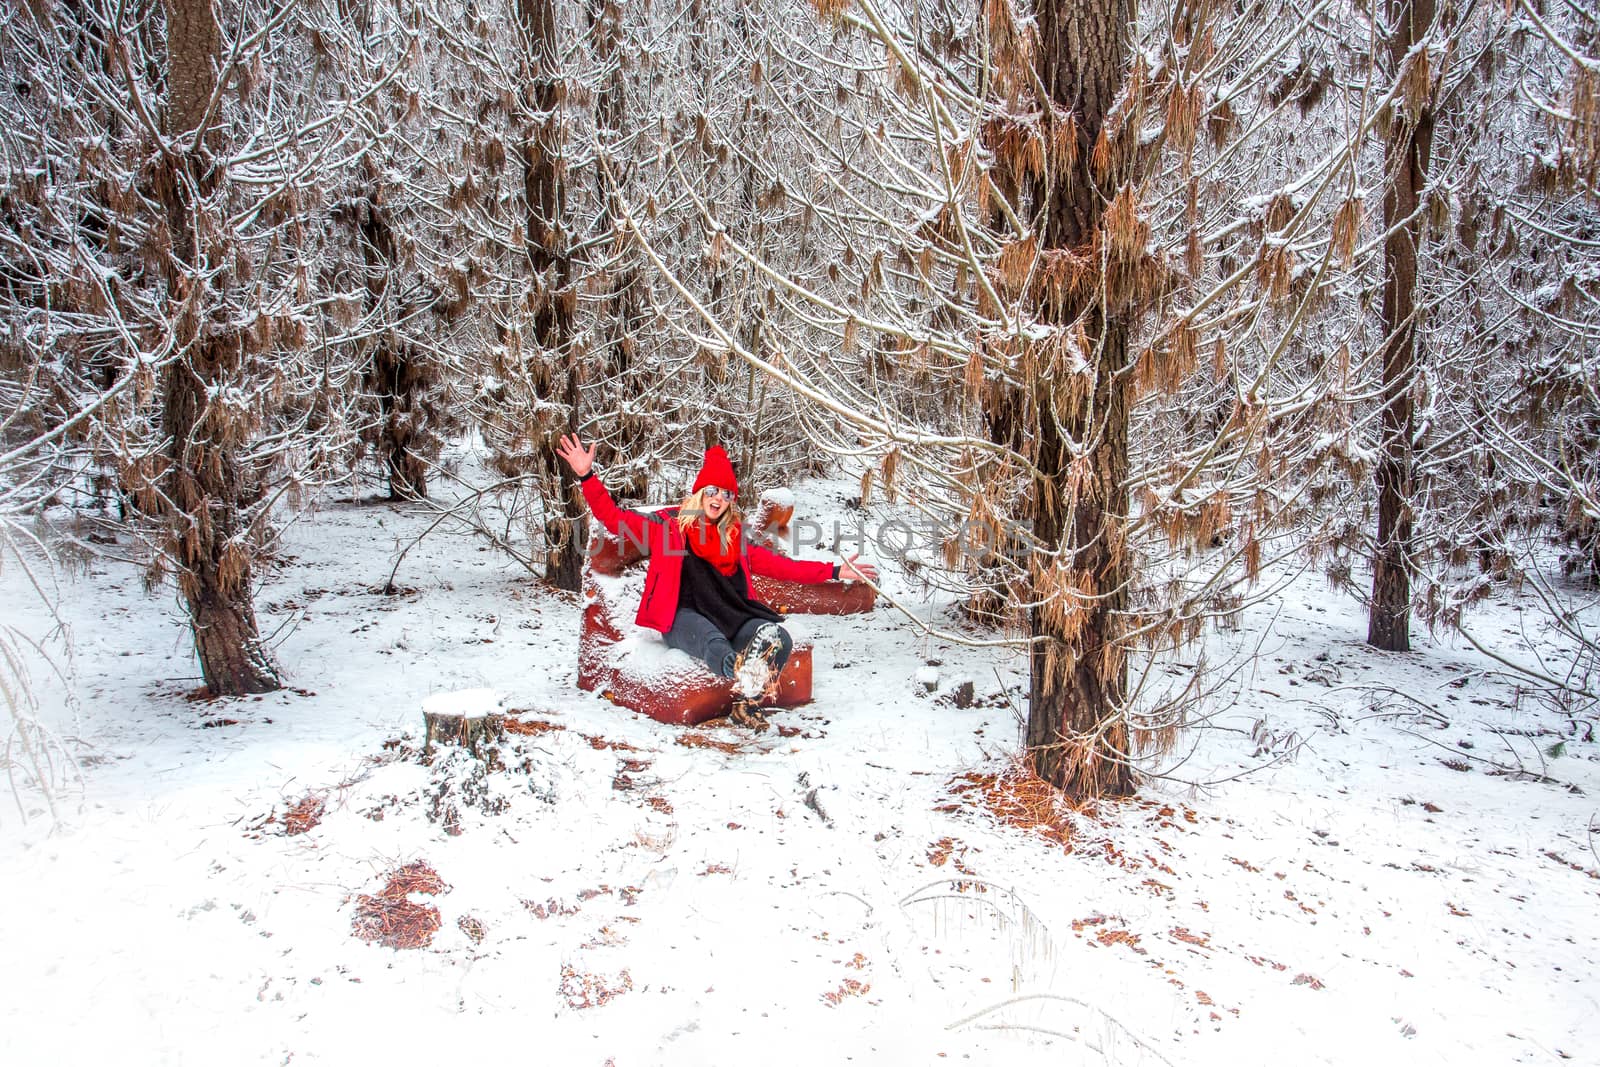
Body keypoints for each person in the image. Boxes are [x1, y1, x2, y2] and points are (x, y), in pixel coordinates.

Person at [556, 433, 877, 728]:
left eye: (726, 493)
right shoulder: (667, 527)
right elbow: (613, 518)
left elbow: (782, 567)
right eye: (712, 490)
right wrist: (586, 475)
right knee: (712, 642)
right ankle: (740, 672)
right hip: (682, 618)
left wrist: (835, 571)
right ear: (700, 493)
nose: (718, 498)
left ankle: (747, 706)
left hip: (731, 615)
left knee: (777, 637)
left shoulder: (736, 538)